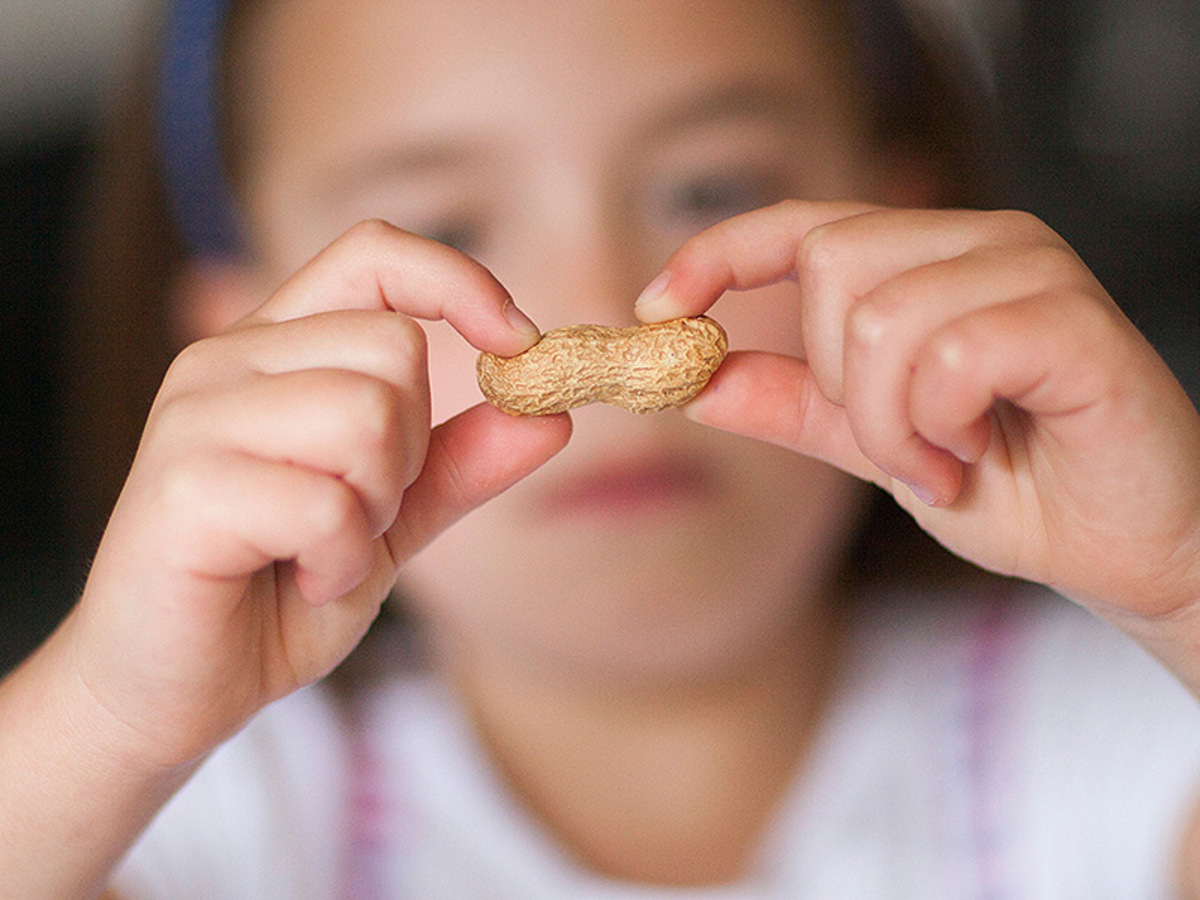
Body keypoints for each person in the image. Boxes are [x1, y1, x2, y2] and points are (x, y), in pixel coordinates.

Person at [3, 0, 1200, 896]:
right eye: (445, 225)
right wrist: (106, 719)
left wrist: (1186, 576)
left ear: (905, 232)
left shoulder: (1115, 734)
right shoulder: (201, 818)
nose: (602, 296)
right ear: (244, 338)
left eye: (707, 185)